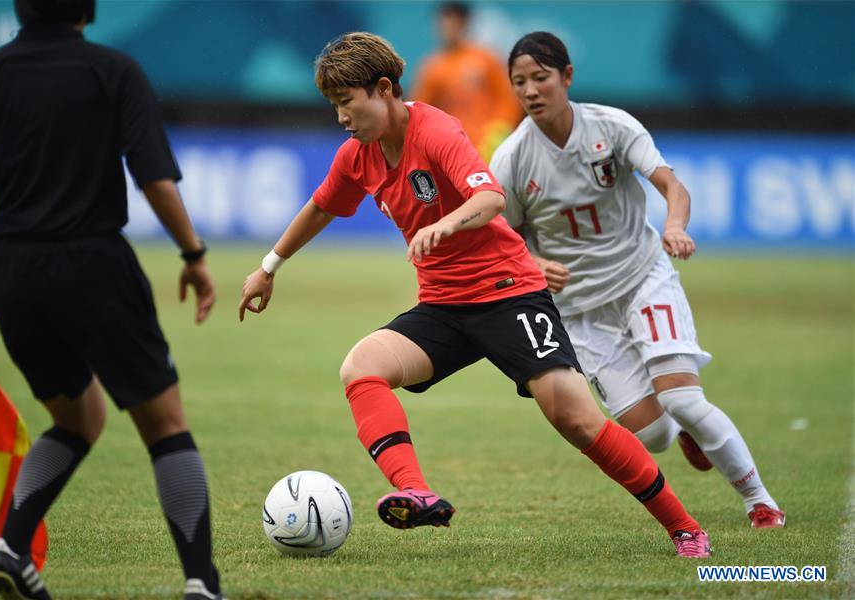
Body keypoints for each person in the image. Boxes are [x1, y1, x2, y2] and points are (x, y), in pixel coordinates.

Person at [239, 31, 712, 557]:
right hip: (444, 306)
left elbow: (488, 196)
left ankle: (684, 527)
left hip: (509, 293)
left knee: (576, 420)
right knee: (362, 367)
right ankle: (414, 490)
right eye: (334, 108)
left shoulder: (436, 128)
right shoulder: (358, 156)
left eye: (347, 104)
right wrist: (269, 267)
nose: (342, 118)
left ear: (383, 88)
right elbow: (321, 206)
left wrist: (445, 225)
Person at [0, 1, 225, 598]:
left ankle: (11, 546)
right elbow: (153, 175)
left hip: (14, 270)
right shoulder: (113, 70)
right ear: (88, 7)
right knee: (165, 426)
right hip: (94, 263)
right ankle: (202, 584)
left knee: (78, 418)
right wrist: (192, 253)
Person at [490, 31, 785, 529]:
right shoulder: (513, 159)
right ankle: (688, 431)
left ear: (566, 76)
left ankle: (760, 501)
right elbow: (501, 237)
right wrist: (533, 264)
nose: (531, 91)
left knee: (683, 398)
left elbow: (671, 185)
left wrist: (673, 225)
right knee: (654, 436)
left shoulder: (612, 126)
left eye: (540, 78)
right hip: (580, 312)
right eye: (520, 82)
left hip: (641, 277)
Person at [411, 2, 522, 161]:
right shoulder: (431, 68)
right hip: (452, 150)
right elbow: (420, 112)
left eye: (453, 21)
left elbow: (508, 98)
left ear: (464, 24)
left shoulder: (486, 58)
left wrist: (498, 130)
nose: (447, 26)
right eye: (443, 21)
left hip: (489, 148)